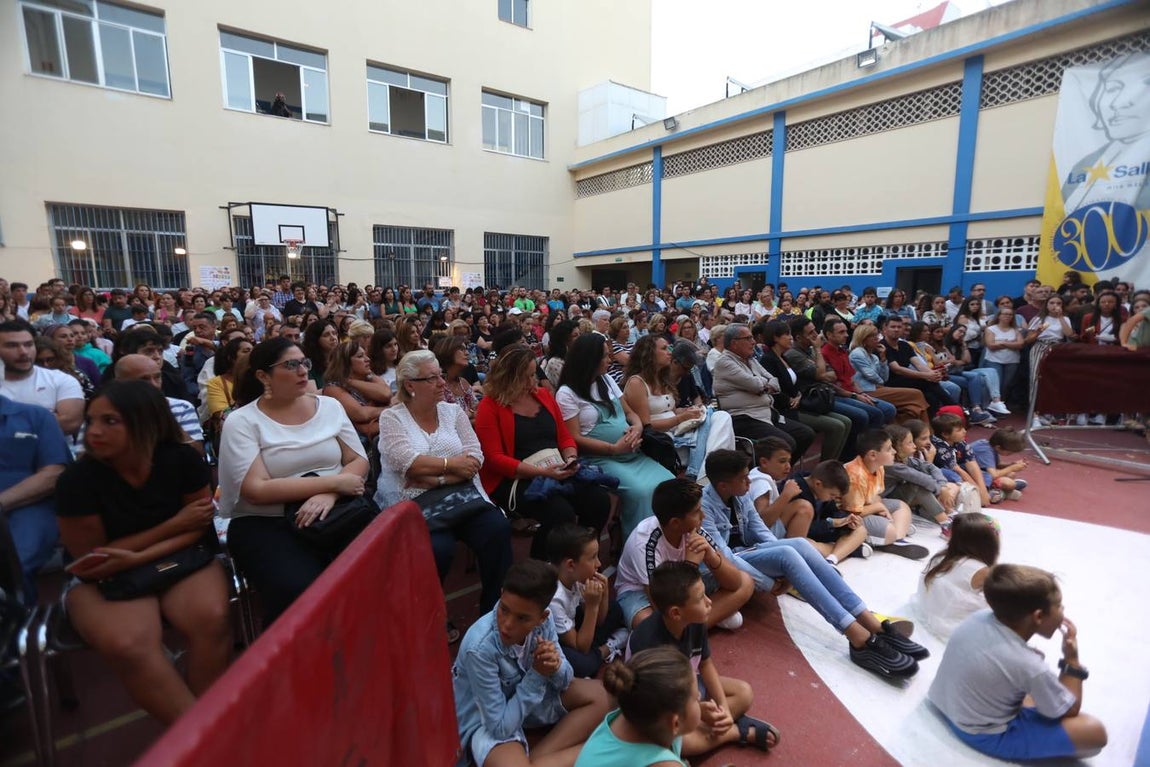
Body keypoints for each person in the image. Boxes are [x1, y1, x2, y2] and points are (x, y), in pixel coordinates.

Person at [54, 381, 230, 724]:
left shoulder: (181, 460)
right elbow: (92, 559)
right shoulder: (76, 480)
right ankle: (200, 736)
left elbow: (197, 527)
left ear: (144, 421)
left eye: (110, 421)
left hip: (180, 556)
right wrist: (170, 525)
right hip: (104, 576)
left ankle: (211, 722)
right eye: (92, 421)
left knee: (212, 616)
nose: (95, 431)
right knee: (130, 645)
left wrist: (135, 554)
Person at [700, 449, 927, 678]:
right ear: (723, 486)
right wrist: (769, 582)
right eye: (743, 478)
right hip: (720, 569)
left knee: (797, 545)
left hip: (744, 554)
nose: (749, 481)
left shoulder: (738, 495)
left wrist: (779, 556)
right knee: (788, 554)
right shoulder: (704, 508)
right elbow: (724, 558)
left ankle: (872, 624)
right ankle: (856, 636)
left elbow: (759, 530)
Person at [217, 338, 370, 625]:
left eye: (305, 363)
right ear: (263, 376)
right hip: (267, 523)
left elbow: (358, 460)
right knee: (300, 592)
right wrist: (333, 484)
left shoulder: (329, 407)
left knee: (377, 570)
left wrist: (331, 494)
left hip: (338, 511)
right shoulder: (243, 422)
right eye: (291, 365)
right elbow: (256, 490)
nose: (302, 371)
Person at [377, 349, 512, 616]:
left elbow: (475, 456)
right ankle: (431, 615)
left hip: (461, 496)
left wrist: (435, 476)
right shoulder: (392, 417)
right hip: (416, 502)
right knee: (438, 549)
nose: (441, 383)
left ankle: (494, 609)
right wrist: (452, 466)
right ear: (410, 385)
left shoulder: (452, 412)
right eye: (431, 378)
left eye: (440, 375)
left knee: (497, 529)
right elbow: (406, 461)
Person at [928, 564, 1108, 761]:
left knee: (1032, 680)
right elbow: (1069, 710)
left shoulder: (978, 618)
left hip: (944, 704)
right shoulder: (1029, 665)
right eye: (1059, 605)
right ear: (1038, 616)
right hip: (981, 733)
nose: (1063, 610)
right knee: (1094, 733)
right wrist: (1071, 659)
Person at [452, 560, 610, 767]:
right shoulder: (480, 648)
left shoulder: (545, 621)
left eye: (522, 618)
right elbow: (498, 727)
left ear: (541, 617)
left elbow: (565, 680)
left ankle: (538, 760)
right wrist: (537, 675)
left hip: (523, 700)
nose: (507, 625)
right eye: (504, 610)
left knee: (604, 695)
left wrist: (555, 667)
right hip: (486, 720)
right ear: (501, 595)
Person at [626, 562, 779, 757]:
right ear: (676, 613)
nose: (710, 602)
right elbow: (658, 704)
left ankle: (717, 723)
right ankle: (733, 731)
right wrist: (697, 710)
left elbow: (706, 665)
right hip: (660, 705)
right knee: (680, 742)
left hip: (688, 689)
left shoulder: (695, 621)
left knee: (744, 693)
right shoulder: (649, 644)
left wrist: (722, 707)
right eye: (700, 599)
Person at [475, 345, 611, 560]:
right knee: (559, 513)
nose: (533, 382)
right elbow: (494, 459)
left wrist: (571, 458)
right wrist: (545, 473)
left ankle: (579, 554)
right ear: (509, 377)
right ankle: (540, 567)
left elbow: (564, 436)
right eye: (527, 377)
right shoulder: (489, 406)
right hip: (516, 477)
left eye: (534, 374)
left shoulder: (544, 396)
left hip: (555, 467)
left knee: (598, 501)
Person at [556, 334, 674, 540]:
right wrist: (614, 449)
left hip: (631, 454)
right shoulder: (567, 393)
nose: (609, 360)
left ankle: (665, 541)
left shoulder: (607, 380)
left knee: (669, 484)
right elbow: (573, 437)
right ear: (589, 359)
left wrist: (637, 428)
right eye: (604, 356)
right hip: (600, 458)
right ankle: (639, 544)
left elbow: (629, 413)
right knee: (641, 491)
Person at [614, 478, 754, 632]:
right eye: (696, 512)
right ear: (675, 523)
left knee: (746, 582)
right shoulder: (645, 544)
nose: (703, 516)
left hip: (682, 585)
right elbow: (662, 606)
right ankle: (700, 623)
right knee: (647, 627)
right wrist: (691, 565)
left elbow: (736, 583)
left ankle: (689, 629)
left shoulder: (693, 529)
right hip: (641, 592)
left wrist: (712, 558)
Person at [622, 336, 734, 482]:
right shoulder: (637, 383)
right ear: (648, 354)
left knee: (721, 416)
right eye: (664, 348)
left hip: (679, 430)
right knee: (719, 432)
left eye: (669, 348)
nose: (669, 352)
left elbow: (673, 412)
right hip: (663, 439)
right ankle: (706, 474)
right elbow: (646, 426)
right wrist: (680, 418)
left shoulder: (662, 380)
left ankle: (703, 472)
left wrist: (689, 412)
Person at [575, 646, 699, 767]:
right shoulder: (664, 764)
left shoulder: (630, 716)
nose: (699, 696)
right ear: (675, 723)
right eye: (695, 698)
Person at [0, 394, 69, 604]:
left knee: (14, 562)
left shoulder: (34, 416)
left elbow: (53, 474)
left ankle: (17, 620)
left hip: (29, 506)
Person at [711, 323, 815, 463]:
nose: (753, 342)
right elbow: (755, 385)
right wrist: (763, 384)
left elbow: (774, 381)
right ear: (734, 343)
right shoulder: (724, 362)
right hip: (744, 418)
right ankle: (763, 475)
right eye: (748, 338)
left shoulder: (750, 360)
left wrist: (762, 385)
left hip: (766, 413)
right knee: (786, 443)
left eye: (752, 338)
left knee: (805, 434)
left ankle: (777, 474)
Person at [759, 319, 852, 461]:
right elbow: (773, 389)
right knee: (836, 426)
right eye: (786, 334)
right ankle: (824, 467)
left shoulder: (784, 357)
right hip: (786, 409)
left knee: (846, 421)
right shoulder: (768, 360)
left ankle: (833, 463)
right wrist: (791, 399)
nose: (790, 337)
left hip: (799, 402)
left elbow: (797, 384)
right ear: (775, 338)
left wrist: (798, 395)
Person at [546, 524, 628, 679]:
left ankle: (596, 650)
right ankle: (606, 649)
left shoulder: (574, 575)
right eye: (592, 557)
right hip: (557, 641)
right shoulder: (554, 599)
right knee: (581, 664)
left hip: (573, 626)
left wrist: (603, 594)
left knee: (615, 609)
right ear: (571, 564)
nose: (598, 564)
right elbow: (581, 647)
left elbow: (600, 621)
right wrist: (592, 606)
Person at [841, 429, 924, 558]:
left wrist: (880, 508)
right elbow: (853, 512)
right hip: (849, 518)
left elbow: (875, 495)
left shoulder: (878, 467)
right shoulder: (855, 475)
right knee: (889, 530)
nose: (894, 452)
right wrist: (879, 508)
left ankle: (896, 540)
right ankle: (885, 538)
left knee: (902, 507)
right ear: (873, 455)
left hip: (866, 508)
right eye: (889, 448)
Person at [917, 513, 1000, 640]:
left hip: (927, 613)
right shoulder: (981, 570)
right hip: (950, 626)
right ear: (988, 543)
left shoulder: (943, 556)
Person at [0, 319, 84, 435]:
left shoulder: (61, 380)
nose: (23, 352)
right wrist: (47, 416)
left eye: (28, 344)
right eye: (12, 346)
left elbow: (69, 423)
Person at [114, 354, 205, 453]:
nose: (154, 385)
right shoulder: (109, 411)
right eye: (144, 379)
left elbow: (197, 453)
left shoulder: (181, 408)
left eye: (157, 377)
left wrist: (165, 415)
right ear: (121, 383)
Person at [847, 323, 930, 422]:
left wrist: (883, 359)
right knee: (916, 394)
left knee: (912, 408)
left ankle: (916, 433)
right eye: (873, 336)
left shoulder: (873, 356)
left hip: (877, 387)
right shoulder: (857, 353)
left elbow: (884, 377)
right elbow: (872, 376)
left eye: (877, 335)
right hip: (866, 390)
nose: (877, 338)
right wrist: (880, 380)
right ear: (864, 338)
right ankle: (929, 433)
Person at [883, 423, 955, 536]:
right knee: (918, 486)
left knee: (949, 486)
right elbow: (921, 479)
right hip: (885, 500)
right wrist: (941, 490)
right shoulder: (891, 465)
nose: (914, 446)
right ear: (896, 446)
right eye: (909, 442)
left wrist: (942, 486)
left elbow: (931, 467)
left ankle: (946, 513)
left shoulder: (907, 459)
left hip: (899, 495)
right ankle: (945, 523)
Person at [322, 339, 391, 441]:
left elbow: (386, 394)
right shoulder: (332, 388)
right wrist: (391, 409)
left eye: (366, 355)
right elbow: (362, 414)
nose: (367, 359)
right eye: (360, 356)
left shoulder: (368, 376)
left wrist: (350, 381)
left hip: (383, 429)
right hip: (360, 442)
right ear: (345, 363)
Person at [968, 428, 1029, 505]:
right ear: (998, 447)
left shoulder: (990, 446)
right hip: (971, 474)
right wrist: (1012, 467)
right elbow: (994, 475)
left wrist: (1011, 464)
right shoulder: (985, 450)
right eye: (1010, 452)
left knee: (1011, 474)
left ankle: (1001, 491)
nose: (1010, 454)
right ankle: (997, 492)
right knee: (1009, 483)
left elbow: (995, 465)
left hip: (982, 472)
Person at [983, 305, 1025, 405]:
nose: (1008, 316)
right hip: (994, 360)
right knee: (995, 383)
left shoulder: (1016, 329)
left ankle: (1001, 403)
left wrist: (1003, 343)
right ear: (999, 316)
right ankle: (991, 404)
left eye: (1010, 314)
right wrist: (1011, 344)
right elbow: (991, 345)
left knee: (1007, 384)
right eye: (1005, 314)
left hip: (1012, 361)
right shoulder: (991, 329)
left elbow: (1020, 344)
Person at [435, 335, 479, 420]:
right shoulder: (437, 384)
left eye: (466, 349)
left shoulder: (463, 383)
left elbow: (478, 411)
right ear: (448, 352)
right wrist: (470, 414)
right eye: (462, 349)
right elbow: (447, 421)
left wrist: (470, 414)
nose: (467, 353)